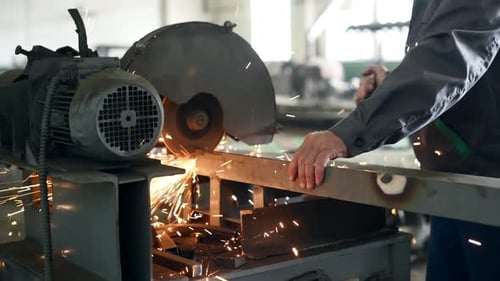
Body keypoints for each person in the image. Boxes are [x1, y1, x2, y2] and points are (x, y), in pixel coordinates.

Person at [288, 0, 500, 280]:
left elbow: (445, 62)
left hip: (490, 186)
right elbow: (451, 76)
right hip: (454, 184)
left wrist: (349, 132)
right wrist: (387, 89)